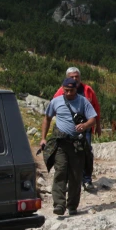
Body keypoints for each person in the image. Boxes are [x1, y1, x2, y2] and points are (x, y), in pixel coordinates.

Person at [40, 78, 97, 216]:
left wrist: (85, 126)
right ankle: (59, 204)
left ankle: (72, 206)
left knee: (75, 176)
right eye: (66, 90)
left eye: (71, 90)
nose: (69, 93)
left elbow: (93, 118)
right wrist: (43, 138)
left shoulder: (83, 101)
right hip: (60, 143)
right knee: (60, 171)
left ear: (76, 89)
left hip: (77, 144)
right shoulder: (56, 101)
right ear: (63, 89)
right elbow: (47, 119)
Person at [53, 67, 101, 192]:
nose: (74, 79)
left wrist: (98, 126)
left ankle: (87, 179)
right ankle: (72, 179)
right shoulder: (60, 92)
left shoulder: (88, 90)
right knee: (68, 154)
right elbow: (54, 110)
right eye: (71, 77)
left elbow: (96, 108)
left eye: (76, 76)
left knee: (86, 152)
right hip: (67, 131)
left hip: (86, 128)